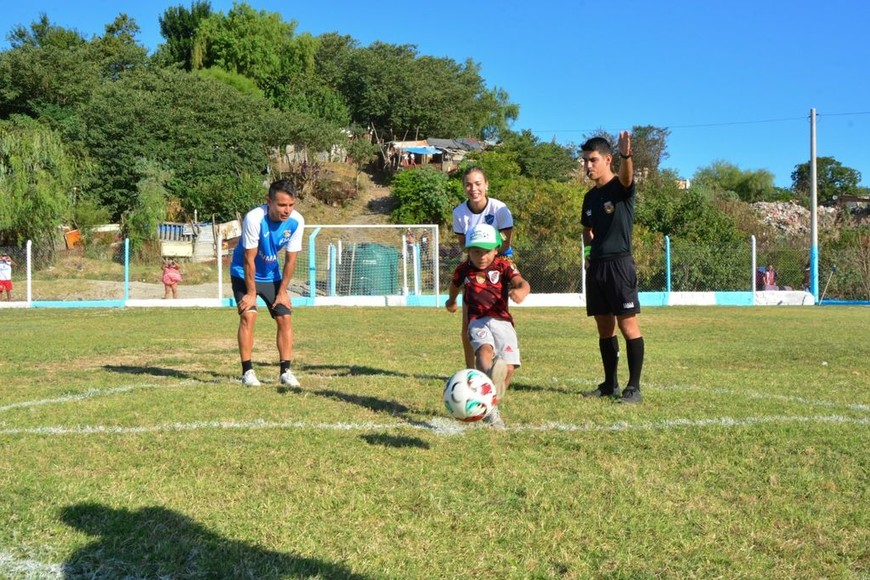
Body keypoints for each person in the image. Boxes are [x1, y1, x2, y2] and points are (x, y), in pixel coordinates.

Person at [579, 132, 645, 404]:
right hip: (597, 267)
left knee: (628, 326)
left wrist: (626, 156)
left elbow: (628, 178)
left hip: (620, 264)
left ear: (608, 159)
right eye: (584, 161)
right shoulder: (589, 198)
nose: (588, 166)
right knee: (604, 328)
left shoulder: (620, 187)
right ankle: (610, 384)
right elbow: (586, 229)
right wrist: (587, 255)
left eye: (593, 160)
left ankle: (634, 388)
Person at [445, 223, 530, 429]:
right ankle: (488, 385)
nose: (481, 256)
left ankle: (490, 406)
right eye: (476, 251)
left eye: (486, 251)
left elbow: (522, 283)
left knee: (508, 368)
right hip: (477, 320)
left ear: (496, 249)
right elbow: (454, 286)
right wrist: (451, 300)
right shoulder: (463, 269)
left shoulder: (503, 265)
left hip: (503, 322)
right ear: (468, 251)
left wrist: (521, 291)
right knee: (484, 351)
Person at [230, 179, 305, 388]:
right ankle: (248, 372)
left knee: (285, 317)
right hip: (244, 273)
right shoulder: (254, 218)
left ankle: (286, 371)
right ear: (269, 201)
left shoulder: (297, 221)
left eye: (291, 205)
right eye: (282, 205)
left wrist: (283, 292)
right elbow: (248, 259)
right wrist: (251, 292)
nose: (287, 210)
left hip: (272, 276)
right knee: (248, 315)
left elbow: (291, 260)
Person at [452, 166, 515, 368]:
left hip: (499, 262)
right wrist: (476, 256)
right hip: (473, 264)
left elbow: (506, 243)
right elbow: (463, 244)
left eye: (478, 183)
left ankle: (500, 361)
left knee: (499, 317)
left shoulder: (500, 209)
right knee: (468, 319)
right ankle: (472, 369)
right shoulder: (459, 213)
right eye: (468, 184)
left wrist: (490, 254)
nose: (474, 188)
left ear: (486, 184)